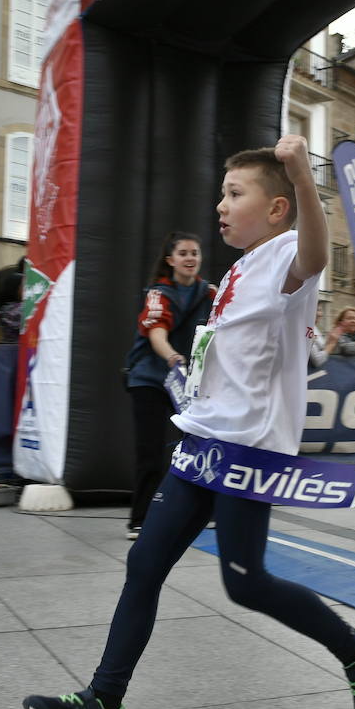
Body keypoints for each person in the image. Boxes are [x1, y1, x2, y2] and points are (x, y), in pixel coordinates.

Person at [22, 137, 355, 709]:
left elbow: (314, 246)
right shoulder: (241, 268)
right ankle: (103, 703)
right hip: (203, 442)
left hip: (248, 452)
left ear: (277, 208)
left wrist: (302, 173)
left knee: (245, 583)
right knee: (144, 565)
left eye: (234, 193)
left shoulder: (284, 259)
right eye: (221, 194)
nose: (219, 206)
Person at [122, 231, 214, 539]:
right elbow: (156, 334)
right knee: (150, 451)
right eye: (184, 253)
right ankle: (139, 519)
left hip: (189, 381)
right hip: (150, 378)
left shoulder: (209, 293)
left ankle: (204, 510)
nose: (190, 258)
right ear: (171, 260)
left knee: (200, 445)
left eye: (195, 253)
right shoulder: (158, 294)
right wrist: (173, 356)